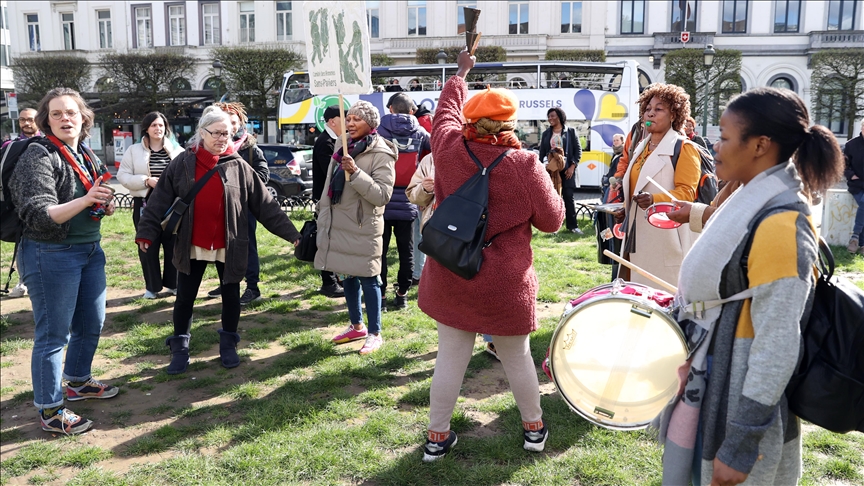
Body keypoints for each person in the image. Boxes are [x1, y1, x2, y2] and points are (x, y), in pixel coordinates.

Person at [654, 87, 844, 486]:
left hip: (735, 396)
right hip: (713, 380)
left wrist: (740, 444)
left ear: (760, 145)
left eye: (724, 137)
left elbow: (776, 345)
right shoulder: (753, 193)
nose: (715, 146)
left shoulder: (782, 223)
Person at [418, 49, 564, 462]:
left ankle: (436, 438)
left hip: (452, 271)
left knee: (450, 356)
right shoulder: (524, 163)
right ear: (510, 123)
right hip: (505, 281)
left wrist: (461, 73)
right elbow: (553, 221)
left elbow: (445, 111)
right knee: (516, 356)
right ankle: (534, 429)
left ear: (469, 120)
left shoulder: (446, 147)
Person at [135, 106, 302, 375]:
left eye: (227, 133)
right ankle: (179, 349)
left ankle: (228, 346)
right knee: (185, 298)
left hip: (229, 244)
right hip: (192, 242)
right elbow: (159, 199)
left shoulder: (239, 166)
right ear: (202, 133)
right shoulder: (183, 162)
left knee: (231, 297)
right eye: (217, 133)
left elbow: (266, 206)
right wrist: (146, 231)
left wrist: (293, 235)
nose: (223, 138)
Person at [10, 88, 120, 435]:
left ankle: (77, 380)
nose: (64, 119)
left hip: (89, 250)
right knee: (53, 334)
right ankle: (51, 408)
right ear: (46, 121)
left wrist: (103, 202)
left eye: (71, 112)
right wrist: (87, 200)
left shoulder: (85, 152)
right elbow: (39, 215)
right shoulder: (38, 155)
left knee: (91, 322)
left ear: (83, 118)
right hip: (50, 254)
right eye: (56, 114)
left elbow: (92, 192)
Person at [316, 101, 396, 354]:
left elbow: (382, 195)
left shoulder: (382, 153)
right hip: (340, 223)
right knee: (347, 275)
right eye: (348, 118)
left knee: (369, 279)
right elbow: (329, 183)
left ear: (371, 124)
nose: (349, 123)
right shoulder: (342, 146)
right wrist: (322, 210)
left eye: (356, 119)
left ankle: (375, 332)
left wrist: (356, 172)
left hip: (363, 226)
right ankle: (356, 325)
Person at [614, 83, 701, 287]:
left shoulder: (684, 148)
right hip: (636, 239)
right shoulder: (640, 148)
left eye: (659, 109)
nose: (650, 114)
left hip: (665, 238)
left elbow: (687, 192)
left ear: (674, 115)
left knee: (659, 301)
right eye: (648, 109)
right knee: (635, 297)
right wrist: (628, 209)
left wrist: (654, 200)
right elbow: (637, 186)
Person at [206, 102, 270, 305]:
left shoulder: (249, 146)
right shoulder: (214, 145)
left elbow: (263, 174)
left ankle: (253, 287)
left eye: (233, 122)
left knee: (247, 245)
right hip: (219, 207)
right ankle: (226, 281)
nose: (230, 126)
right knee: (222, 247)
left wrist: (240, 186)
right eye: (226, 121)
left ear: (240, 123)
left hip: (244, 208)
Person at [117, 111, 184, 299]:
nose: (158, 128)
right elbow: (123, 176)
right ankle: (152, 287)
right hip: (145, 205)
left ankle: (173, 284)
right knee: (147, 246)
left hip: (172, 207)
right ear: (146, 128)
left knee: (173, 245)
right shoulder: (134, 151)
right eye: (154, 125)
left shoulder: (177, 151)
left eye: (161, 125)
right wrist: (146, 181)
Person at [377, 92, 430, 310]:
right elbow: (431, 157)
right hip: (409, 198)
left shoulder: (377, 131)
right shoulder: (421, 132)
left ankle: (378, 296)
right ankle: (402, 295)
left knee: (378, 250)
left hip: (380, 196)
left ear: (390, 109)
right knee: (406, 250)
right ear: (412, 110)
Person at [3, 107, 42, 299]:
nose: (26, 123)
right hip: (19, 205)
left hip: (46, 202)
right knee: (22, 244)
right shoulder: (10, 145)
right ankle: (23, 282)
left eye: (30, 119)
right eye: (22, 120)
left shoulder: (48, 143)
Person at [311, 105, 346, 297]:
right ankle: (329, 282)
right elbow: (330, 173)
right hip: (325, 201)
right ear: (332, 121)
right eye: (344, 119)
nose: (348, 124)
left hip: (333, 200)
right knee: (327, 241)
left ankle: (335, 278)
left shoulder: (336, 140)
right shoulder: (325, 142)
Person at [539, 107, 583, 234]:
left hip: (567, 169)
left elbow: (578, 151)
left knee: (568, 196)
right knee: (553, 197)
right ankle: (554, 226)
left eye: (553, 116)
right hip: (552, 171)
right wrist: (542, 166)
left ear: (560, 116)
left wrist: (572, 167)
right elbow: (542, 151)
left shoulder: (571, 131)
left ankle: (573, 226)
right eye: (549, 116)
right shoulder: (546, 133)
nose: (550, 118)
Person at [843, 123, 864, 254]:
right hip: (857, 185)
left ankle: (857, 240)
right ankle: (859, 241)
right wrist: (851, 175)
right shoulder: (851, 145)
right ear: (862, 128)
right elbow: (842, 165)